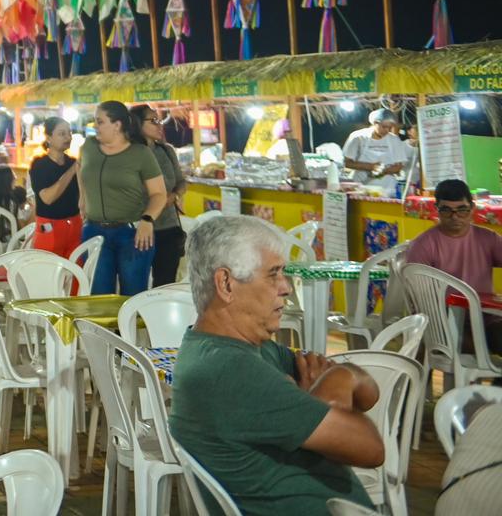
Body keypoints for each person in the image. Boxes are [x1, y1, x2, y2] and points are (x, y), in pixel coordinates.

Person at [171, 216, 382, 515]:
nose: (285, 287)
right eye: (273, 275)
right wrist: (336, 386)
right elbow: (371, 447)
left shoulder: (250, 351)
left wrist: (335, 382)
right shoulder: (232, 372)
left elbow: (369, 393)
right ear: (226, 284)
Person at [78, 101, 169, 296]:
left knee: (132, 296)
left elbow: (159, 194)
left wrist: (147, 219)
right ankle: (105, 329)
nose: (95, 126)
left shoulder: (140, 154)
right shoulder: (89, 147)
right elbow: (80, 168)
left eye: (100, 122)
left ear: (117, 125)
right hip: (93, 232)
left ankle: (128, 328)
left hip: (132, 234)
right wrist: (83, 198)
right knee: (98, 297)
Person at [405, 178, 502, 349]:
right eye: (446, 210)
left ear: (472, 209)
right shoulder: (423, 246)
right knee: (480, 351)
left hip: (486, 319)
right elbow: (419, 301)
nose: (455, 216)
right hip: (442, 324)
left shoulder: (488, 239)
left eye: (461, 210)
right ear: (437, 210)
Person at [132, 104, 189, 287]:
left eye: (159, 120)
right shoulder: (129, 155)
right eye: (153, 120)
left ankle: (159, 316)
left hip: (169, 227)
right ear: (137, 124)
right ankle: (136, 316)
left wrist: (174, 196)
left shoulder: (166, 151)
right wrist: (157, 203)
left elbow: (181, 181)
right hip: (140, 228)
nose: (159, 124)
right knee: (136, 283)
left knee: (165, 284)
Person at [29, 117, 82, 257]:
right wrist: (71, 171)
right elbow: (47, 198)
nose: (68, 137)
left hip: (75, 224)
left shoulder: (73, 162)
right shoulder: (40, 165)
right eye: (62, 133)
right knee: (49, 272)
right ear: (48, 138)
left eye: (69, 133)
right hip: (50, 227)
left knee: (75, 272)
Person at [342, 108, 414, 196]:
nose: (387, 130)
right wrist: (370, 166)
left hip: (387, 189)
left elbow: (399, 166)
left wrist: (383, 171)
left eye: (390, 127)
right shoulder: (358, 137)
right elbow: (347, 163)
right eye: (384, 127)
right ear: (375, 123)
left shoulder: (394, 139)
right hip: (361, 188)